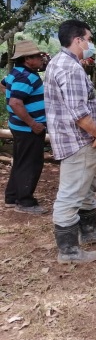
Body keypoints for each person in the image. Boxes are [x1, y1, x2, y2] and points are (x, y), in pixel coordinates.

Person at [45, 19, 96, 264]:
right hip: (79, 141)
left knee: (86, 187)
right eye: (89, 39)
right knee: (72, 193)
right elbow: (80, 114)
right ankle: (69, 252)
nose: (90, 44)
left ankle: (89, 232)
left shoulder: (58, 62)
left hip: (72, 139)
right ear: (78, 40)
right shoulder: (71, 69)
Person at [2, 40, 48, 215]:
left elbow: (4, 85)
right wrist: (32, 123)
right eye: (38, 56)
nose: (41, 58)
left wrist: (11, 95)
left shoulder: (16, 72)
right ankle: (25, 202)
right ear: (27, 59)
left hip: (19, 126)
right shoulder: (27, 77)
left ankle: (12, 197)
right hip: (28, 129)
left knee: (21, 161)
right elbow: (15, 102)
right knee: (31, 164)